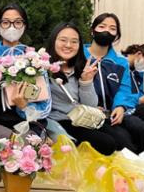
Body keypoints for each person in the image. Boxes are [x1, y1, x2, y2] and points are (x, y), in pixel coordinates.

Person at [0, 3, 50, 145]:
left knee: (26, 147)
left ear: (25, 26)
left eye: (18, 22)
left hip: (27, 126)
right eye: (6, 22)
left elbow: (45, 107)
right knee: (14, 145)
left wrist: (24, 107)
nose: (12, 27)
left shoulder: (35, 59)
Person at [45, 23, 117, 155]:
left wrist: (86, 81)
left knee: (121, 138)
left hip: (82, 118)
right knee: (106, 143)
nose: (68, 45)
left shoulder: (82, 68)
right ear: (53, 41)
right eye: (63, 40)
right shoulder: (43, 68)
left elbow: (91, 105)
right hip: (59, 120)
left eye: (74, 42)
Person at [83, 13, 144, 154]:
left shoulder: (120, 62)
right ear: (92, 30)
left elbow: (124, 89)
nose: (107, 31)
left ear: (117, 35)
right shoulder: (79, 56)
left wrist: (120, 107)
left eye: (112, 28)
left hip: (110, 116)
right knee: (118, 143)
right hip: (85, 115)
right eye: (102, 26)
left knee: (135, 133)